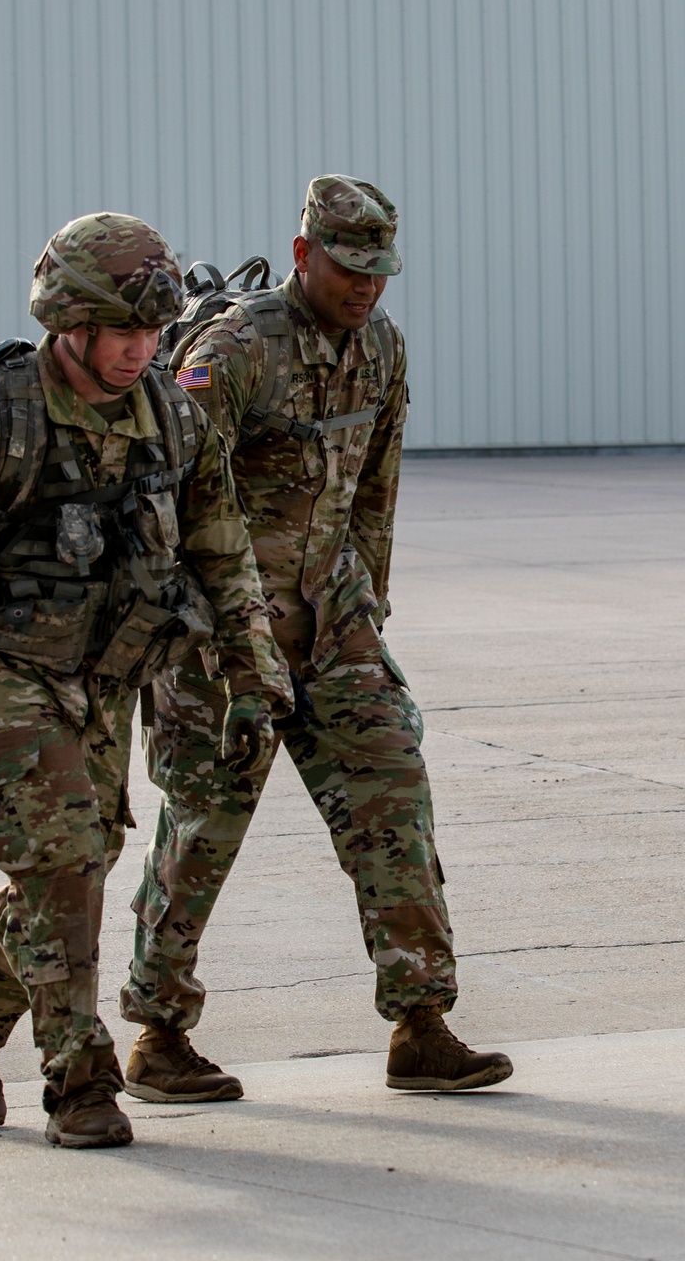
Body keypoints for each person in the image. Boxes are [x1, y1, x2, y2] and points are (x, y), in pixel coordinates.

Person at [0, 213, 292, 1148]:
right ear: (69, 322)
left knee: (71, 865)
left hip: (105, 671)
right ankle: (79, 1082)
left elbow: (223, 552)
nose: (140, 351)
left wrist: (254, 674)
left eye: (153, 333)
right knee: (67, 855)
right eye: (123, 332)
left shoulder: (172, 415)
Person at [121, 176, 513, 1100]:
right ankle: (157, 1033)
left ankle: (421, 1023)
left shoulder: (382, 347)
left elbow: (375, 487)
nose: (367, 287)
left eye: (381, 271)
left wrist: (368, 603)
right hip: (221, 639)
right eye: (349, 268)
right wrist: (183, 635)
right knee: (203, 829)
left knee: (393, 795)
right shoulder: (236, 350)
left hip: (333, 628)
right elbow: (165, 489)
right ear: (305, 255)